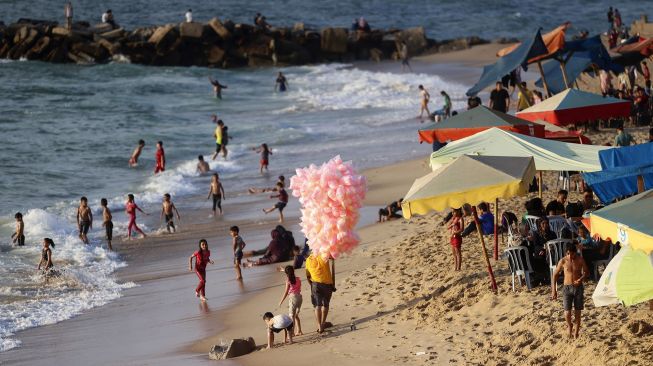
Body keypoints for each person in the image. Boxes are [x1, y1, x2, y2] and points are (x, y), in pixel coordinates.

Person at [551, 241, 589, 339]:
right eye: (568, 254)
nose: (570, 256)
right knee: (567, 312)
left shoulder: (580, 259)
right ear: (566, 253)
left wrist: (580, 279)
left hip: (578, 288)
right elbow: (554, 275)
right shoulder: (563, 261)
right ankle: (569, 325)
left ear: (575, 252)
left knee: (577, 311)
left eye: (572, 254)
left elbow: (586, 272)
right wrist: (553, 290)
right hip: (567, 288)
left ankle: (576, 332)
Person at [305, 253, 334, 333]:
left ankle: (319, 326)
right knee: (326, 304)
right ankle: (323, 323)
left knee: (317, 306)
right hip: (327, 284)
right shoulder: (324, 255)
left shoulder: (308, 259)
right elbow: (333, 256)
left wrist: (312, 285)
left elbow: (307, 275)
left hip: (315, 284)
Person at [278, 265, 303, 336]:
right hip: (300, 298)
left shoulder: (288, 281)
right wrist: (283, 270)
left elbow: (286, 292)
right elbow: (290, 273)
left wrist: (281, 301)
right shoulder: (298, 279)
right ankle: (299, 331)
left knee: (292, 316)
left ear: (287, 273)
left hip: (293, 298)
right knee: (296, 316)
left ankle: (292, 333)